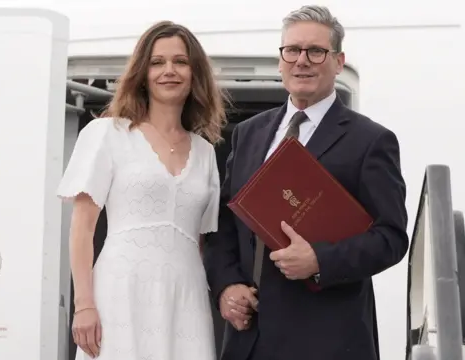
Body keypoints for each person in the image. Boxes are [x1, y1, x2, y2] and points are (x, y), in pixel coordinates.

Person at [203, 5, 409, 360]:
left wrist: (319, 260)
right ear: (280, 60)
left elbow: (391, 238)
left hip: (328, 337)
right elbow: (223, 222)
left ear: (339, 61)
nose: (302, 61)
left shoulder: (371, 140)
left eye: (316, 51)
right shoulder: (249, 134)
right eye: (293, 51)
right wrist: (226, 286)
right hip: (250, 338)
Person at [57, 20, 227, 360]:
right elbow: (83, 227)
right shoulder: (107, 133)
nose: (169, 71)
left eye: (180, 61)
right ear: (142, 72)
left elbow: (201, 243)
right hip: (120, 291)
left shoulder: (206, 152)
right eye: (157, 62)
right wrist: (84, 304)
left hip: (186, 298)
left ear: (195, 73)